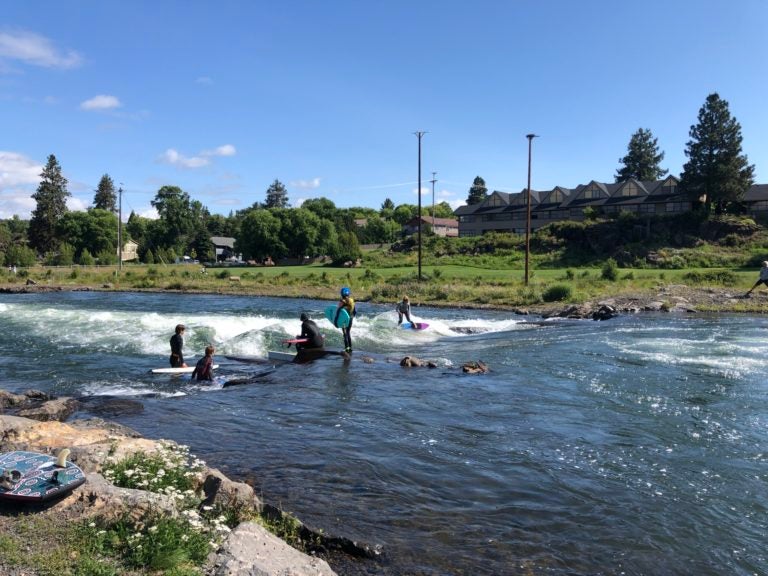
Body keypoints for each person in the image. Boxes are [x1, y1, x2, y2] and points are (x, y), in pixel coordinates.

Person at [335, 286, 356, 353]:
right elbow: (355, 311)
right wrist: (351, 317)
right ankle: (350, 348)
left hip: (344, 319)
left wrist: (336, 320)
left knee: (345, 334)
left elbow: (338, 311)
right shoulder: (352, 300)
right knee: (348, 333)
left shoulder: (342, 301)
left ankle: (346, 348)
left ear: (342, 294)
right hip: (350, 318)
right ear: (348, 293)